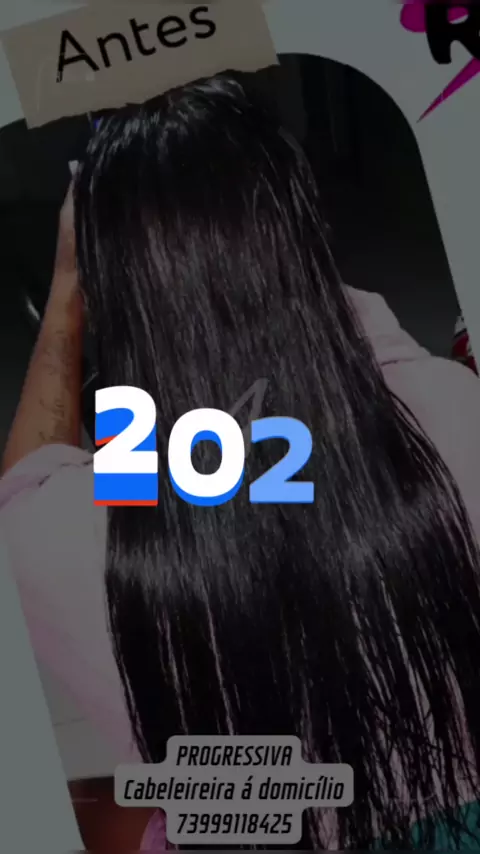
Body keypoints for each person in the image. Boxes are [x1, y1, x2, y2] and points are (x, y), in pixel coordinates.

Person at [2, 71, 480, 851]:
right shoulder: (454, 416)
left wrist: (68, 295)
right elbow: (366, 366)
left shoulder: (60, 543)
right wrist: (263, 261)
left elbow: (42, 479)